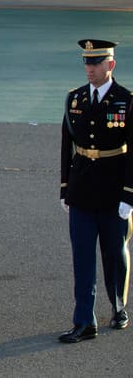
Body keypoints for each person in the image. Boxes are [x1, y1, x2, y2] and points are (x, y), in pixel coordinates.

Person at [58, 39, 133, 343]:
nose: (90, 69)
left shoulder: (126, 101)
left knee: (114, 254)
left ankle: (118, 306)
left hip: (114, 191)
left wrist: (129, 194)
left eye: (96, 63)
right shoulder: (75, 99)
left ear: (110, 65)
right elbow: (67, 145)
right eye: (87, 63)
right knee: (83, 258)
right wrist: (65, 188)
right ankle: (84, 321)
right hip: (82, 190)